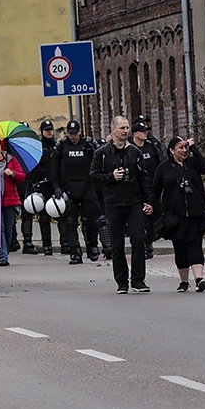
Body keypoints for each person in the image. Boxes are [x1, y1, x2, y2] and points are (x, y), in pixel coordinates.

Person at [90, 116, 154, 294]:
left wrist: (148, 201)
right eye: (122, 128)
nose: (125, 131)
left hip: (133, 203)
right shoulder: (102, 154)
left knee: (138, 239)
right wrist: (111, 177)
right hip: (113, 204)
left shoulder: (134, 152)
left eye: (127, 128)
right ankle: (122, 282)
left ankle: (138, 280)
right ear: (113, 130)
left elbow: (144, 178)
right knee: (117, 245)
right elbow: (94, 177)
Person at [152, 136, 205, 293]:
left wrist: (194, 150)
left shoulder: (192, 163)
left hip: (195, 213)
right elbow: (155, 190)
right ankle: (184, 281)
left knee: (195, 245)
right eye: (181, 148)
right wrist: (150, 206)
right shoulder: (164, 168)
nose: (184, 150)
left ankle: (199, 279)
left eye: (186, 147)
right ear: (172, 150)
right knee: (180, 247)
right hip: (174, 215)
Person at [51, 119, 101, 264]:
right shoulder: (61, 147)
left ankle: (92, 245)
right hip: (69, 188)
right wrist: (57, 187)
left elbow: (99, 163)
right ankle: (75, 252)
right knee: (70, 221)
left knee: (93, 220)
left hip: (87, 186)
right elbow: (54, 170)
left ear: (80, 132)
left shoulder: (88, 145)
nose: (73, 136)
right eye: (70, 133)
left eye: (75, 133)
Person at [0, 135, 25, 267]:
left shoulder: (10, 160)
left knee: (9, 229)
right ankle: (3, 256)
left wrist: (12, 173)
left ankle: (5, 251)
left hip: (9, 200)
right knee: (0, 228)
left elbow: (22, 176)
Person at [21, 120, 57, 255]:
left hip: (54, 184)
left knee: (62, 214)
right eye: (46, 130)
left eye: (51, 129)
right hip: (41, 184)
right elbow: (33, 168)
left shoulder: (58, 146)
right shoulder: (37, 148)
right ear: (41, 132)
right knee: (44, 216)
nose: (49, 132)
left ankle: (65, 244)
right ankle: (46, 245)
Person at [130, 121, 162, 259]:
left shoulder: (151, 147)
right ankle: (143, 245)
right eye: (143, 131)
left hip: (152, 188)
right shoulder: (130, 149)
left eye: (146, 131)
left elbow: (159, 164)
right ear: (135, 134)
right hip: (137, 189)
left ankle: (149, 240)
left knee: (153, 218)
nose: (146, 133)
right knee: (140, 219)